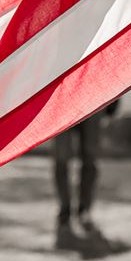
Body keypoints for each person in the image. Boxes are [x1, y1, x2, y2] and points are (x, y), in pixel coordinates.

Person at [53, 106, 108, 248]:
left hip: (93, 99)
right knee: (62, 159)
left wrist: (114, 100)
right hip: (62, 103)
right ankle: (65, 211)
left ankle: (85, 209)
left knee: (90, 158)